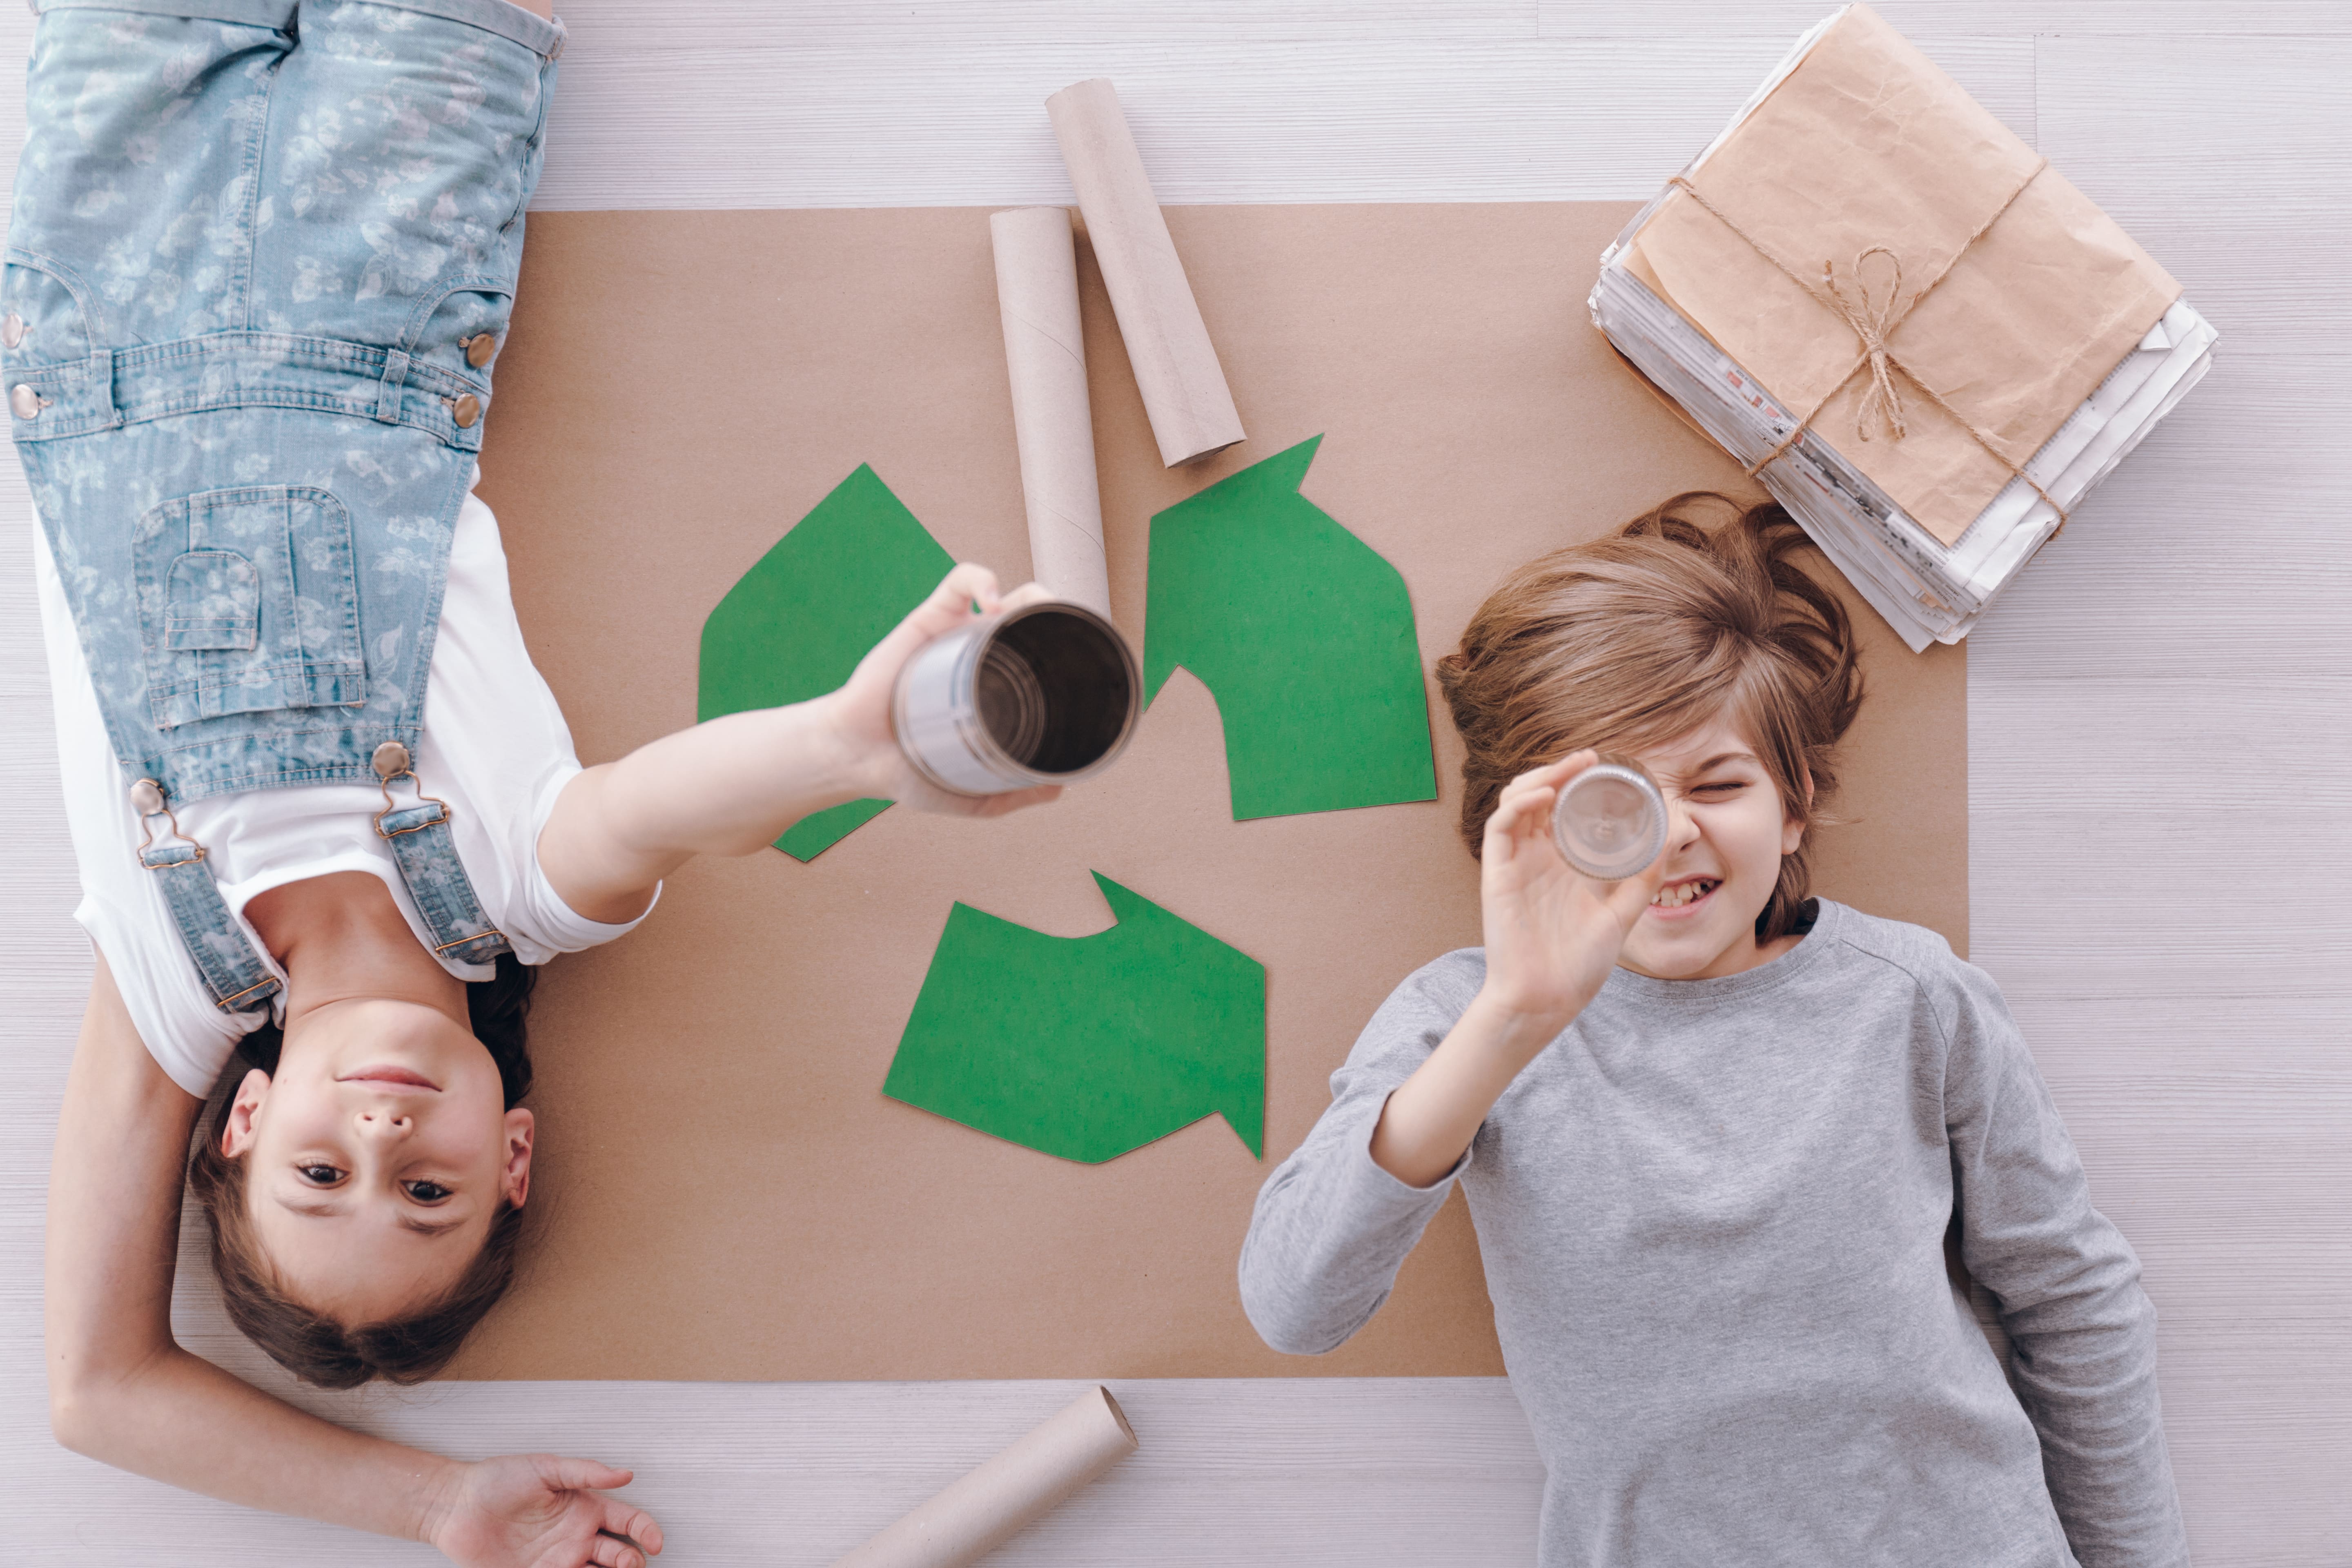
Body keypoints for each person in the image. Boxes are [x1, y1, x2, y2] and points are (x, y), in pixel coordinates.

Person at [17, 2, 1054, 1561]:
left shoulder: (175, 988)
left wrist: (436, 1504)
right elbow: (662, 807)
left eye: (319, 1174)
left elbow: (96, 1392)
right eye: (427, 1196)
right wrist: (857, 746)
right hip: (382, 258)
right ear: (509, 1150)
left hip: (98, 257)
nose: (378, 1140)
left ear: (236, 1127)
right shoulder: (513, 890)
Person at [1237, 495, 2189, 1567]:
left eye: (1719, 783)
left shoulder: (1911, 996)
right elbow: (1293, 1306)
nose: (1671, 832)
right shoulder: (1463, 1023)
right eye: (1616, 803)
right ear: (1530, 831)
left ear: (1793, 810)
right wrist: (1512, 1019)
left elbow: (2074, 1301)